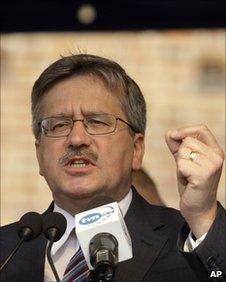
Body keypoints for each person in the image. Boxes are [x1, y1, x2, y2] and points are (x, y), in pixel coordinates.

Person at [0, 53, 225, 282]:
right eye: (59, 125)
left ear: (136, 150)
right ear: (39, 154)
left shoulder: (190, 238)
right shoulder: (7, 251)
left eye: (97, 122)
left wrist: (203, 217)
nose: (77, 138)